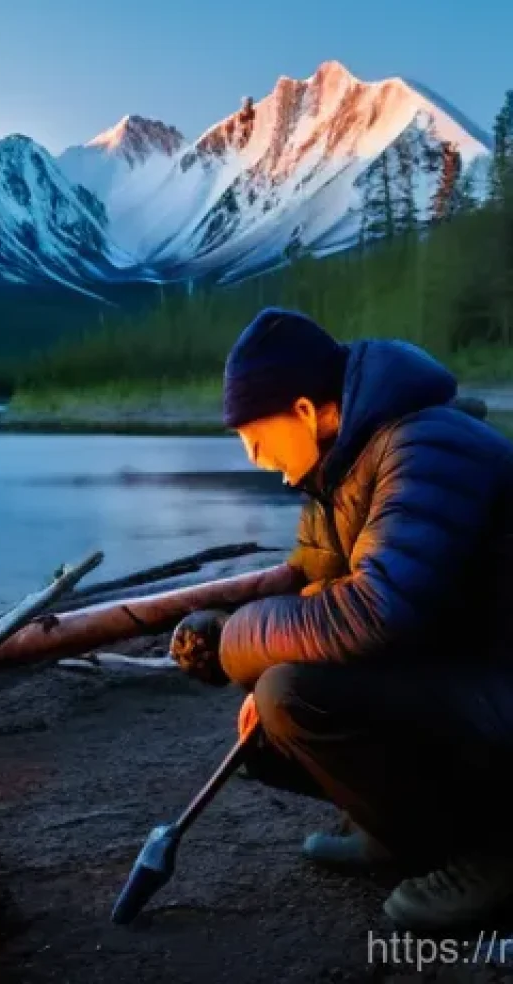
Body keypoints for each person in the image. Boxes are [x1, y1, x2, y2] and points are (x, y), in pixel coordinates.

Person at [170, 307, 513, 932]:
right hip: (467, 669)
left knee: (291, 694)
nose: (252, 455)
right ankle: (398, 835)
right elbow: (311, 586)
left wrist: (236, 643)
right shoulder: (339, 474)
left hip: (499, 680)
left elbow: (374, 612)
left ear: (304, 411)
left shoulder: (429, 445)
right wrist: (219, 627)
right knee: (268, 732)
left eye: (255, 433)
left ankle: (494, 855)